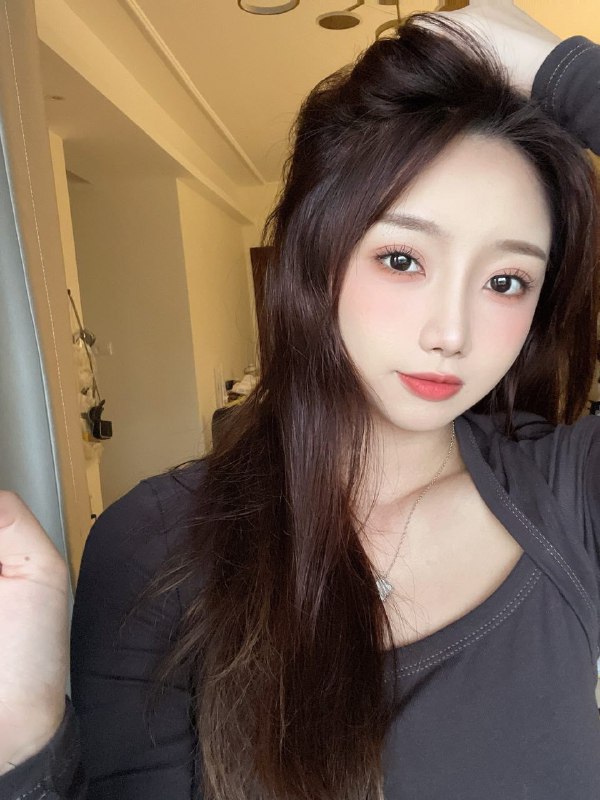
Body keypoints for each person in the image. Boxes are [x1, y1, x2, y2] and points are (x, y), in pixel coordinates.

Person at [2, 3, 600, 798]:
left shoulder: (567, 491)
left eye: (506, 280)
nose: (451, 334)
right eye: (402, 259)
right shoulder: (155, 547)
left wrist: (565, 72)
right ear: (315, 258)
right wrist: (24, 744)